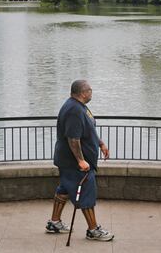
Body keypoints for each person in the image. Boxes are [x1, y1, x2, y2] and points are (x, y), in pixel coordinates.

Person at [45, 80, 114, 242]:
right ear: (83, 93)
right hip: (74, 164)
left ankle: (54, 223)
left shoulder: (79, 107)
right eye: (90, 90)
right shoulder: (74, 110)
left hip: (69, 162)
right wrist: (81, 161)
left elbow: (88, 129)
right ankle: (93, 230)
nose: (91, 92)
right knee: (87, 193)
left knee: (63, 189)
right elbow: (73, 139)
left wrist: (101, 143)